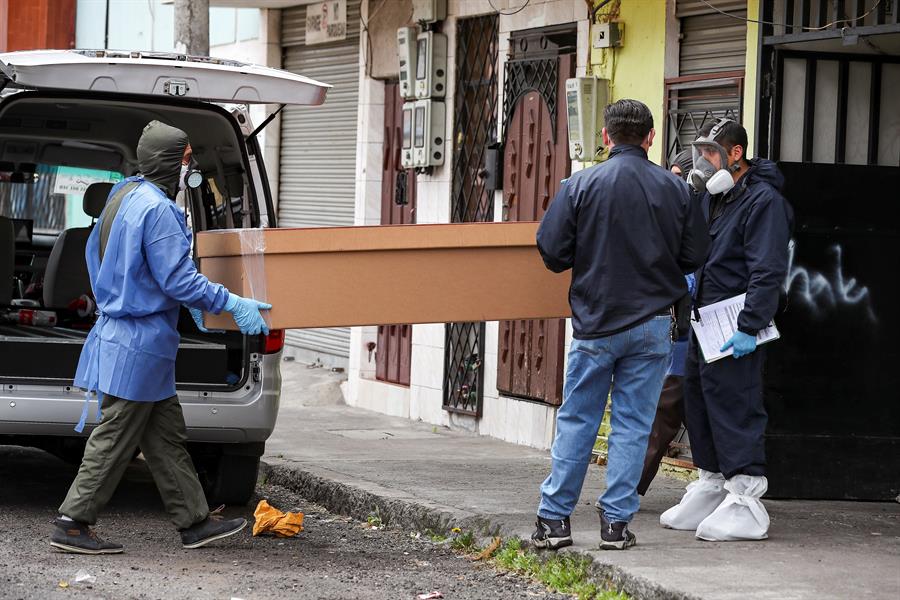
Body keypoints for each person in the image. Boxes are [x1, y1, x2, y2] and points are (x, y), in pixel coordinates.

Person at [50, 120, 272, 555]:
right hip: (140, 342)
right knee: (115, 435)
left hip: (123, 333)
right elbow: (180, 279)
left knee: (165, 434)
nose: (190, 168)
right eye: (187, 159)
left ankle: (194, 522)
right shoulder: (159, 209)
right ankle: (72, 523)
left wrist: (144, 293)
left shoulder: (123, 195)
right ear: (171, 162)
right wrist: (229, 302)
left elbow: (111, 261)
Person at [531, 99, 710, 551]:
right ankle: (615, 526)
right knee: (632, 425)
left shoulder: (579, 185)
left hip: (596, 322)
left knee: (578, 419)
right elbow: (695, 256)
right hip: (652, 325)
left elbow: (551, 253)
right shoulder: (677, 190)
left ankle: (554, 523)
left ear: (606, 137)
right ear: (650, 138)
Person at [660, 119, 793, 541]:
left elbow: (767, 270)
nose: (703, 160)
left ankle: (746, 500)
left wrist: (749, 326)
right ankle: (712, 482)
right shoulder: (713, 199)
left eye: (712, 152)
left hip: (736, 325)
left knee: (736, 406)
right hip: (705, 322)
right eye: (701, 151)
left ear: (736, 154)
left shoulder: (763, 201)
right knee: (700, 402)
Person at [637, 149, 697, 496]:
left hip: (692, 339)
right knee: (664, 416)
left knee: (665, 416)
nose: (674, 182)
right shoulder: (672, 218)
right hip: (677, 339)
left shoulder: (698, 219)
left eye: (680, 175)